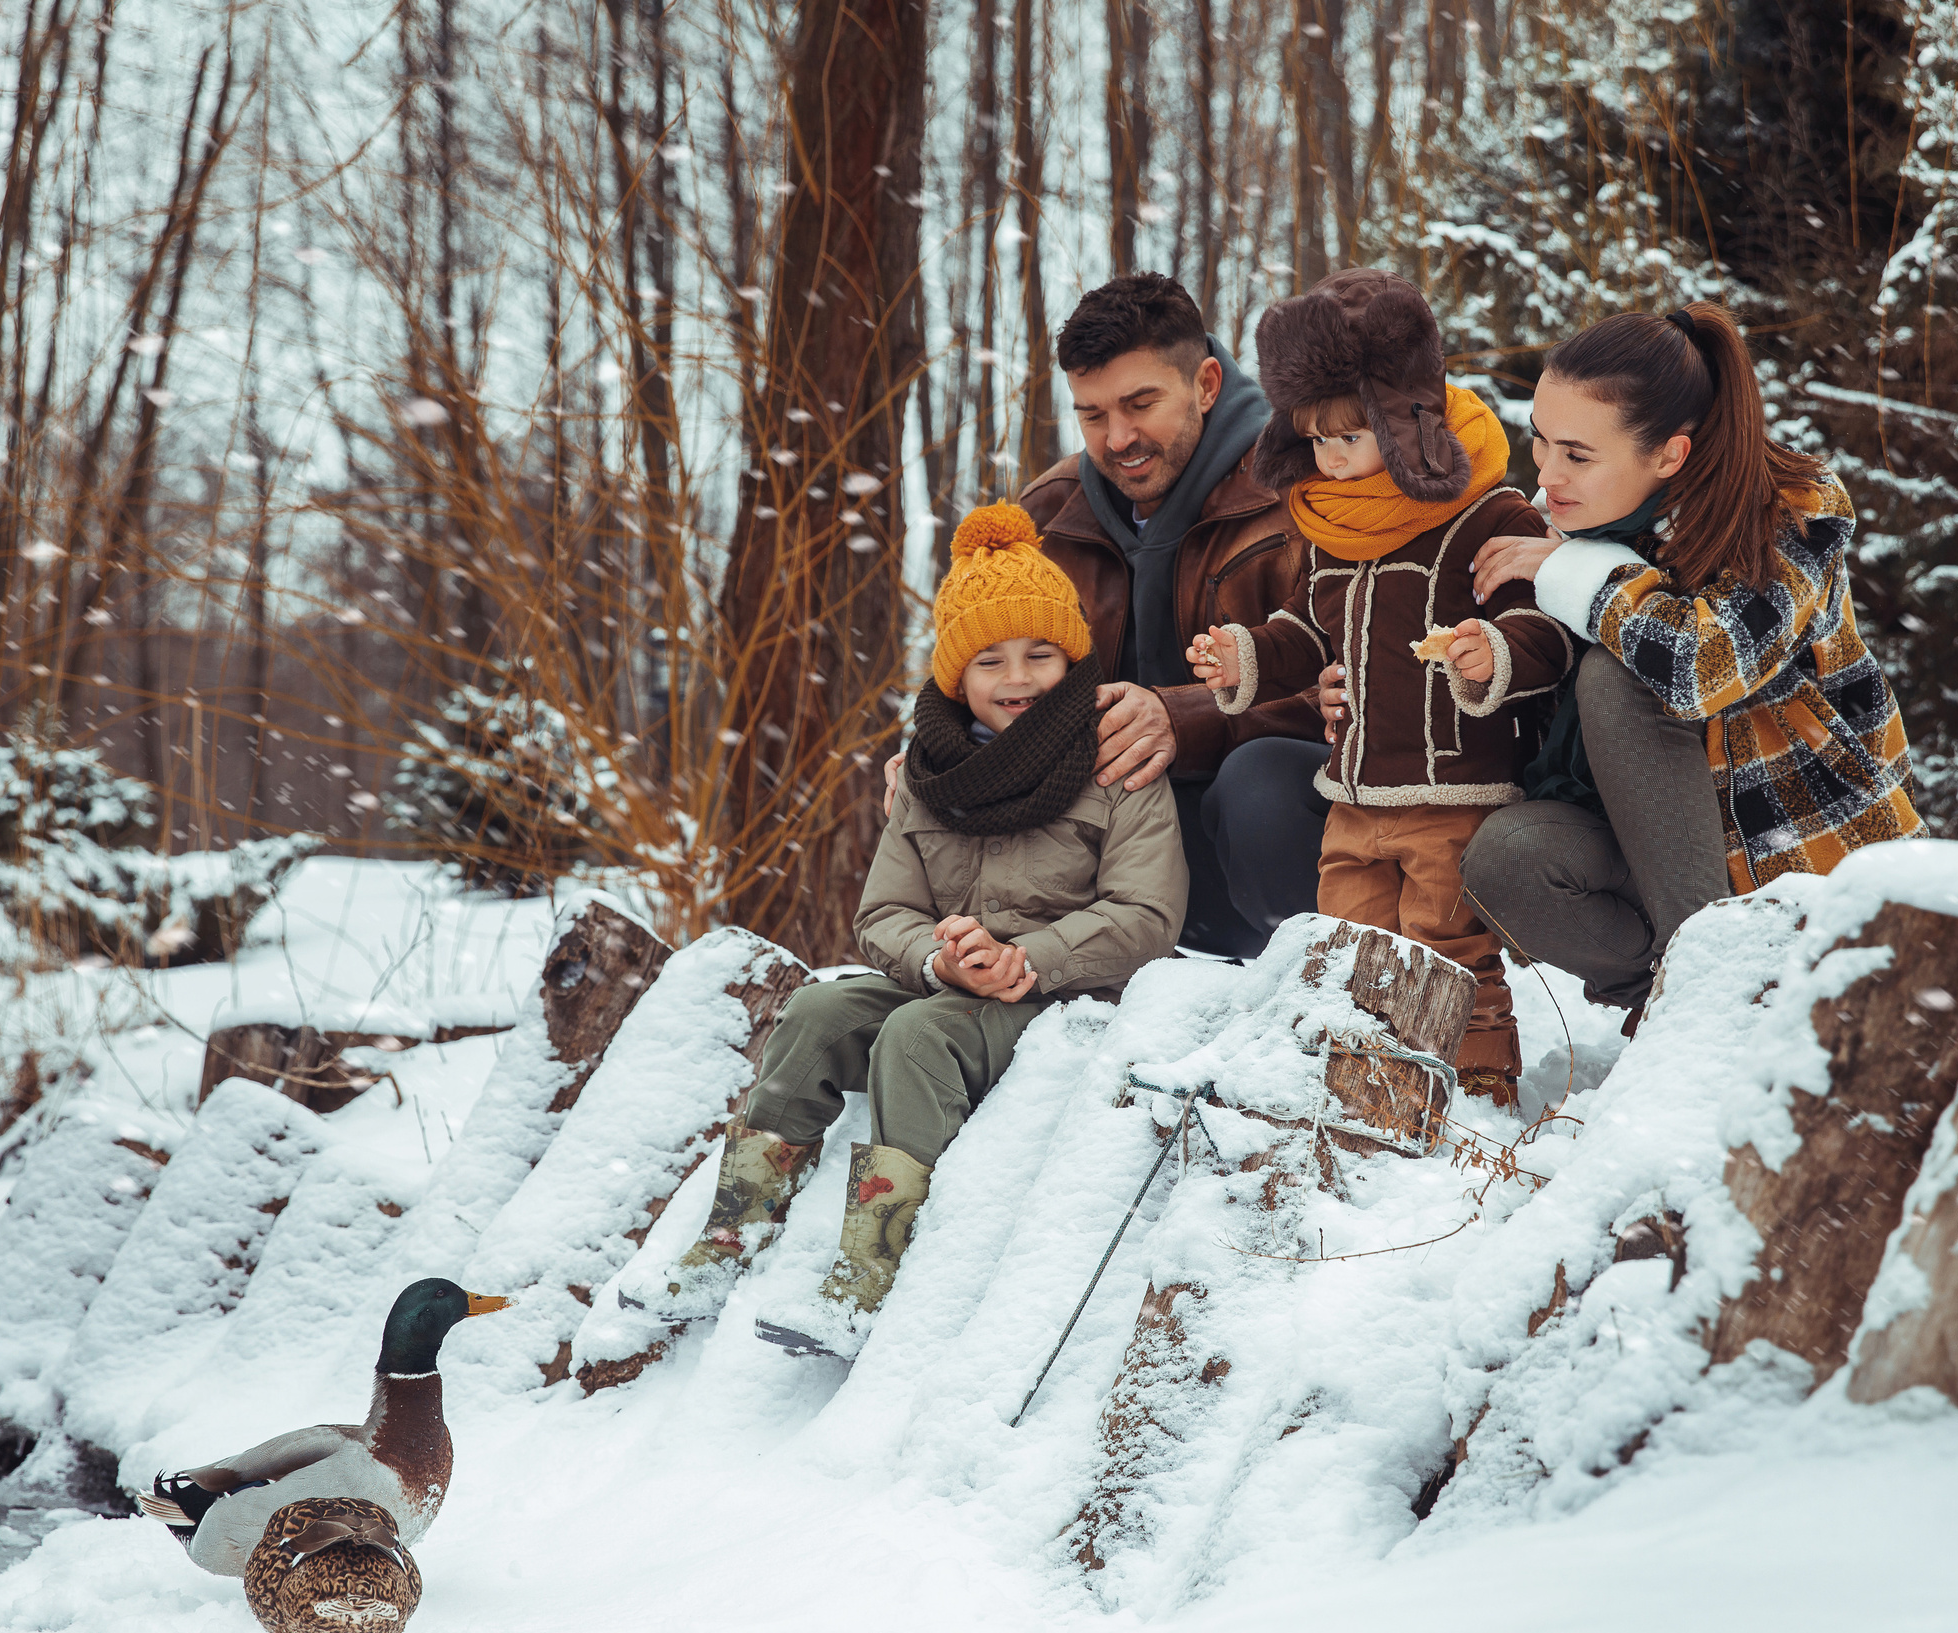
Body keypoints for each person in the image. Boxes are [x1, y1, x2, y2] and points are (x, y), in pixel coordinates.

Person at [651, 503, 1187, 1360]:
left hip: (1063, 994)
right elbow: (882, 915)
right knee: (817, 1014)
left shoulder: (1113, 764)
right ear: (956, 675)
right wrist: (938, 958)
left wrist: (1026, 958)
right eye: (991, 659)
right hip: (949, 981)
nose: (1019, 676)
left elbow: (1147, 913)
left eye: (1041, 654)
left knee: (914, 1035)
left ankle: (872, 1271)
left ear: (1072, 658)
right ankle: (731, 1232)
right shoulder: (930, 775)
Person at [1457, 303, 1923, 1028]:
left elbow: (1700, 665)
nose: (1545, 477)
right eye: (1540, 442)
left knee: (1622, 677)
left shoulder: (1789, 512)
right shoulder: (1575, 526)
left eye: (1576, 455)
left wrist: (1583, 572)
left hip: (1794, 864)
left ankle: (1709, 1009)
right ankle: (1677, 989)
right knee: (1509, 862)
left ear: (1670, 455)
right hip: (1667, 861)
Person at [1185, 269, 1567, 1105]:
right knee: (1354, 943)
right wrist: (1243, 658)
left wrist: (1490, 652)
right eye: (1315, 440)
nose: (1329, 460)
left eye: (1349, 438)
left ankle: (1476, 1094)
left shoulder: (1488, 516)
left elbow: (1543, 633)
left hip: (1453, 788)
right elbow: (1304, 629)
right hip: (1356, 791)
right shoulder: (1329, 528)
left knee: (1446, 944)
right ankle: (1367, 1091)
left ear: (1404, 427)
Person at [1020, 272, 1326, 958]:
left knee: (1260, 791)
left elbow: (1361, 689)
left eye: (1140, 403)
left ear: (1207, 384)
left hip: (1274, 827)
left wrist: (1183, 718)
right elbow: (982, 673)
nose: (1117, 437)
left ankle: (1311, 981)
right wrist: (934, 753)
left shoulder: (1308, 489)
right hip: (1122, 827)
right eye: (1092, 414)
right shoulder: (1049, 514)